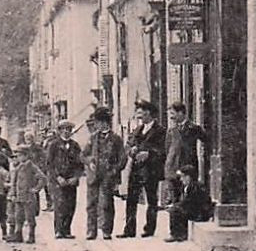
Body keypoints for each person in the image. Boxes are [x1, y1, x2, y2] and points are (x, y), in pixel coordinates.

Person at [122, 101, 166, 239]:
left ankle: (149, 229)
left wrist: (149, 154)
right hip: (136, 169)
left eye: (144, 112)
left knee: (151, 200)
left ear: (150, 114)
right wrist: (131, 150)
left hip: (151, 170)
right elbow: (128, 145)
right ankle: (129, 230)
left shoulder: (160, 131)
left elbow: (163, 150)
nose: (142, 115)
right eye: (140, 112)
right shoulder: (137, 130)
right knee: (131, 199)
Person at [84, 108, 127, 240]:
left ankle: (106, 230)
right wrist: (89, 161)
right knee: (91, 204)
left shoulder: (116, 139)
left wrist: (114, 170)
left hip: (108, 177)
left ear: (105, 123)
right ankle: (91, 231)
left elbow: (122, 158)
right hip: (94, 176)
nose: (96, 125)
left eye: (97, 122)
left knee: (107, 204)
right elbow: (83, 155)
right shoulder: (92, 138)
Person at [43, 120, 83, 239]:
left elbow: (80, 164)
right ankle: (59, 230)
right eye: (64, 129)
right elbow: (49, 164)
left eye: (69, 129)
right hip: (58, 181)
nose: (66, 132)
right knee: (60, 205)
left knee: (71, 205)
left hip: (71, 181)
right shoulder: (53, 145)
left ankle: (67, 230)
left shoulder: (75, 146)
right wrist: (57, 177)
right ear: (60, 131)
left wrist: (76, 177)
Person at [163, 102, 208, 205]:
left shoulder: (194, 128)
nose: (171, 117)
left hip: (188, 167)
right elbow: (168, 149)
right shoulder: (171, 131)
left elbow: (206, 140)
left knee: (188, 198)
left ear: (181, 113)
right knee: (175, 198)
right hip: (175, 168)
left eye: (173, 113)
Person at [8, 143, 45, 243]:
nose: (18, 158)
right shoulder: (18, 168)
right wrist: (13, 194)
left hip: (29, 197)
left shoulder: (32, 167)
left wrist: (36, 189)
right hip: (19, 197)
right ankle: (18, 235)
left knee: (30, 217)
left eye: (20, 155)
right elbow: (14, 183)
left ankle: (31, 236)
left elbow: (42, 178)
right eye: (17, 156)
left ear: (27, 155)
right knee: (18, 216)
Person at [167, 163, 214, 242]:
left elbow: (191, 201)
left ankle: (178, 234)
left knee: (175, 211)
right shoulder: (186, 186)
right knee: (176, 209)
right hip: (193, 209)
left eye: (182, 177)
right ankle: (178, 233)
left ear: (188, 177)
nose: (181, 179)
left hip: (200, 212)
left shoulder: (196, 187)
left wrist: (176, 206)